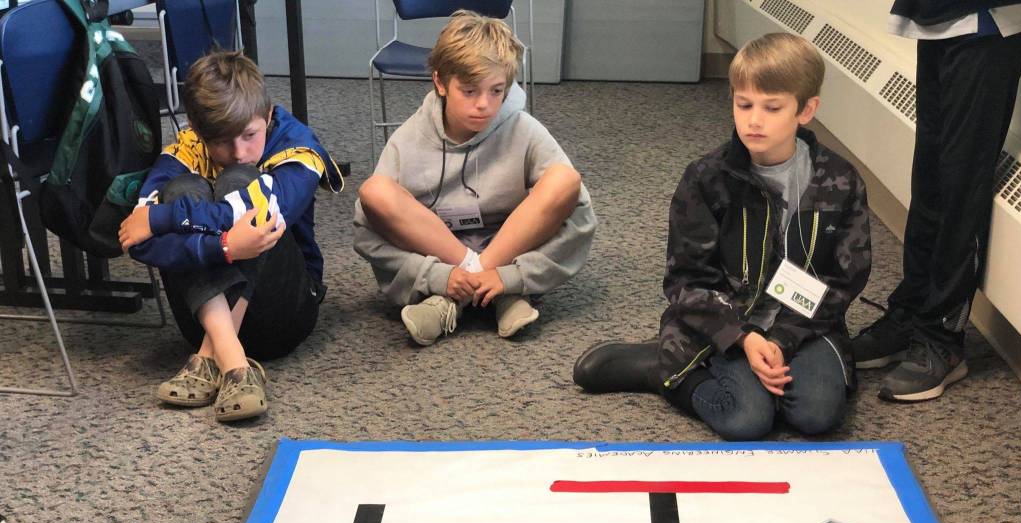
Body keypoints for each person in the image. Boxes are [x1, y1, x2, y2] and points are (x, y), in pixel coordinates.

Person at [573, 33, 871, 441]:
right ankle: (661, 368)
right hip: (722, 320)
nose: (754, 120)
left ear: (806, 110)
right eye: (743, 104)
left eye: (772, 107)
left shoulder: (839, 181)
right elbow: (686, 280)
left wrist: (782, 339)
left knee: (816, 417)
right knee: (746, 421)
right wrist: (744, 338)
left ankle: (761, 374)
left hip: (804, 325)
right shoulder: (706, 178)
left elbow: (842, 280)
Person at [118, 50, 343, 422]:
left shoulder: (300, 149)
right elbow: (138, 238)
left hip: (283, 315)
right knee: (182, 187)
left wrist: (167, 217)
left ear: (268, 116)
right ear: (196, 127)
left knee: (242, 183)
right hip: (199, 317)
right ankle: (234, 361)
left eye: (249, 135)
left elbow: (157, 221)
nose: (238, 151)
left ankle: (211, 358)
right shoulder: (187, 147)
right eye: (221, 141)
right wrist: (223, 247)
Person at [353, 10, 597, 345]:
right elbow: (368, 229)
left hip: (509, 247)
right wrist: (440, 274)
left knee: (566, 181)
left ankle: (466, 294)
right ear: (440, 82)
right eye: (469, 91)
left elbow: (577, 209)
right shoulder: (408, 138)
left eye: (496, 91)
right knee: (375, 192)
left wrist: (505, 271)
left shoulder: (523, 128)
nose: (484, 105)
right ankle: (495, 293)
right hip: (439, 251)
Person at [851, 2, 1021, 402]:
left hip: (989, 23)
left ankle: (942, 335)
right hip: (937, 17)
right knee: (930, 178)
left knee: (961, 185)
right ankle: (912, 312)